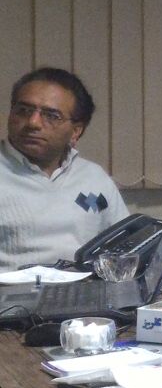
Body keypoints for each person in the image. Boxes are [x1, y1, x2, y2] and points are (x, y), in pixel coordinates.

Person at [0, 67, 129, 271]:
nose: (33, 123)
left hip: (86, 288)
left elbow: (126, 247)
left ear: (76, 131)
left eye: (51, 116)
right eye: (23, 110)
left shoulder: (93, 177)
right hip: (12, 290)